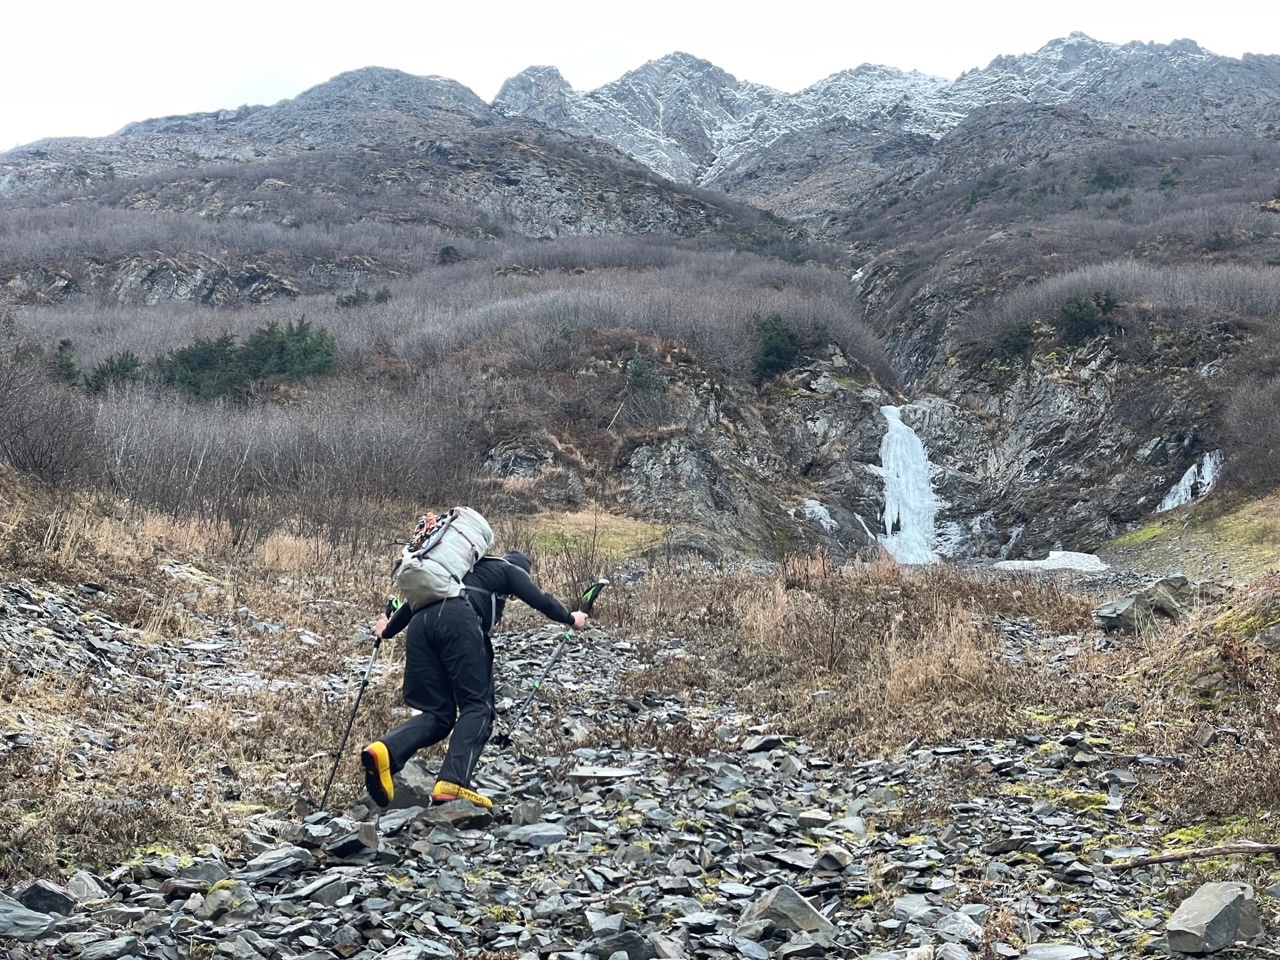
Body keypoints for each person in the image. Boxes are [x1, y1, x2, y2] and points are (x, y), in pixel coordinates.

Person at [361, 550, 587, 809]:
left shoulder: (456, 571)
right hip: (457, 621)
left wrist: (387, 630)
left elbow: (412, 604)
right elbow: (539, 598)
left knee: (438, 713)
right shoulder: (506, 569)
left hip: (420, 626)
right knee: (478, 706)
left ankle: (384, 751)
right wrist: (570, 618)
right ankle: (452, 782)